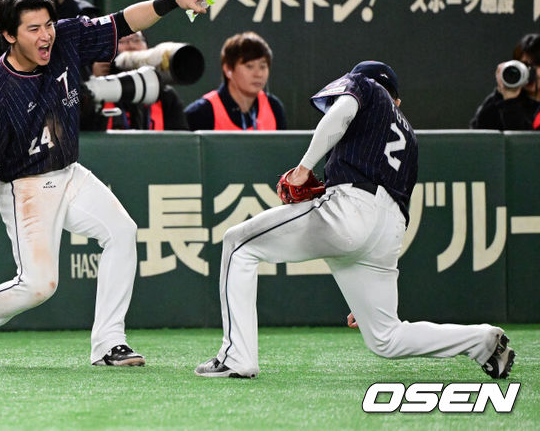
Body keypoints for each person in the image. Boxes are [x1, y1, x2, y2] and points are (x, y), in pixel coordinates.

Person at [0, 0, 224, 367]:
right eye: (33, 29)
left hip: (69, 173)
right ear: (9, 36)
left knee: (122, 231)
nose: (46, 34)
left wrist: (176, 1)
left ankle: (109, 343)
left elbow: (124, 22)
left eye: (47, 24)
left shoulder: (65, 38)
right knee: (39, 284)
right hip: (26, 186)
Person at [195, 61, 516, 380]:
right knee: (386, 337)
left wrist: (304, 167)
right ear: (398, 102)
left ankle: (237, 357)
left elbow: (343, 110)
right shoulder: (410, 138)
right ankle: (480, 340)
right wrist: (364, 290)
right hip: (388, 231)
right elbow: (387, 207)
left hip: (352, 207)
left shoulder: (367, 87)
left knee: (238, 244)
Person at [184, 31, 286, 131]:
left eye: (263, 67)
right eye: (249, 66)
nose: (258, 74)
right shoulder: (200, 113)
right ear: (228, 69)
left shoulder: (274, 107)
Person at [89, 31, 188, 130]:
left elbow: (180, 141)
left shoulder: (165, 95)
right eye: (122, 41)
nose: (131, 46)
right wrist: (96, 81)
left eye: (137, 40)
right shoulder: (95, 91)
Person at [470, 33, 540, 130]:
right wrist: (508, 97)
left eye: (537, 65)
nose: (531, 73)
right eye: (525, 65)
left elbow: (525, 143)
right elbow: (479, 137)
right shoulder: (499, 100)